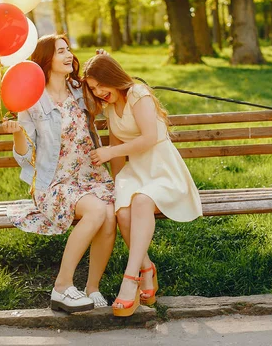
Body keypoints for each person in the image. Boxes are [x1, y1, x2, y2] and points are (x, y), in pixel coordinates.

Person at [2, 35, 116, 314]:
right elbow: (23, 154)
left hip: (91, 177)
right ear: (46, 60)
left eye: (68, 50)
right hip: (54, 184)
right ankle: (62, 287)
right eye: (60, 51)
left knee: (109, 214)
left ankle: (92, 288)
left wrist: (105, 63)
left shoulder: (79, 89)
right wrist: (17, 132)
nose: (68, 55)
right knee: (97, 211)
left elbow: (110, 93)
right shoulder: (32, 100)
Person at [82, 55, 203, 317]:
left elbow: (148, 138)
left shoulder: (138, 94)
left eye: (100, 84)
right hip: (135, 171)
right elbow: (116, 149)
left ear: (113, 78)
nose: (98, 92)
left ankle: (130, 278)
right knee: (123, 210)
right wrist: (117, 184)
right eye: (92, 88)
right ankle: (147, 268)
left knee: (142, 201)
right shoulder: (109, 106)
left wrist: (109, 152)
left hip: (161, 169)